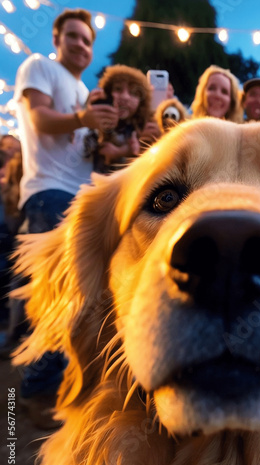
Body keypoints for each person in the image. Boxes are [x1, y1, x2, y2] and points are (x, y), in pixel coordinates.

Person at [13, 8, 118, 428]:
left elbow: (80, 150)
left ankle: (54, 388)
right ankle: (35, 393)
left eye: (88, 40)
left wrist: (105, 142)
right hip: (47, 193)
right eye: (73, 36)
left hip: (77, 198)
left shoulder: (83, 90)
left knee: (80, 298)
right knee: (56, 299)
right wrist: (82, 118)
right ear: (57, 39)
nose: (81, 45)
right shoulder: (38, 67)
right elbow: (39, 120)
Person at [84, 64, 151, 174]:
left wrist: (122, 152)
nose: (125, 97)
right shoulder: (96, 124)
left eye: (134, 93)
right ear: (106, 93)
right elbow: (85, 150)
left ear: (142, 102)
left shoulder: (144, 129)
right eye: (118, 89)